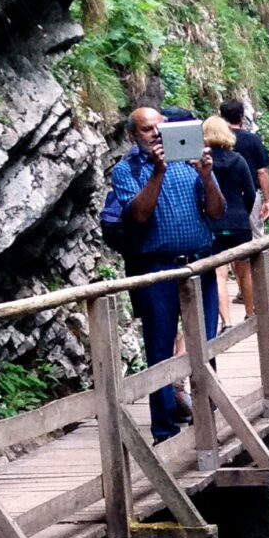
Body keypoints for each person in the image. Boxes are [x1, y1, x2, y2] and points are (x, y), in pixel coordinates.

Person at [99, 103, 227, 442]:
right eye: (146, 129)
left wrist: (206, 176)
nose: (155, 133)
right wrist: (157, 171)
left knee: (207, 342)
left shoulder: (190, 163)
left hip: (200, 263)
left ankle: (207, 416)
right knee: (159, 348)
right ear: (132, 135)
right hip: (157, 268)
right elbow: (138, 215)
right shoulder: (127, 171)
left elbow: (216, 211)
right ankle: (165, 429)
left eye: (160, 126)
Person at [203, 114, 259, 312]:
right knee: (244, 271)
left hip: (213, 223)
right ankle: (251, 314)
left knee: (219, 274)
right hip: (239, 222)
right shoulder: (238, 160)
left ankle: (226, 322)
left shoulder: (202, 163)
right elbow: (250, 192)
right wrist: (243, 212)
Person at [220, 95, 269, 227]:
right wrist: (267, 200)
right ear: (241, 117)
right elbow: (262, 172)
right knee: (255, 235)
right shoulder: (253, 140)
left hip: (222, 194)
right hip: (249, 193)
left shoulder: (216, 141)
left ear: (221, 117)